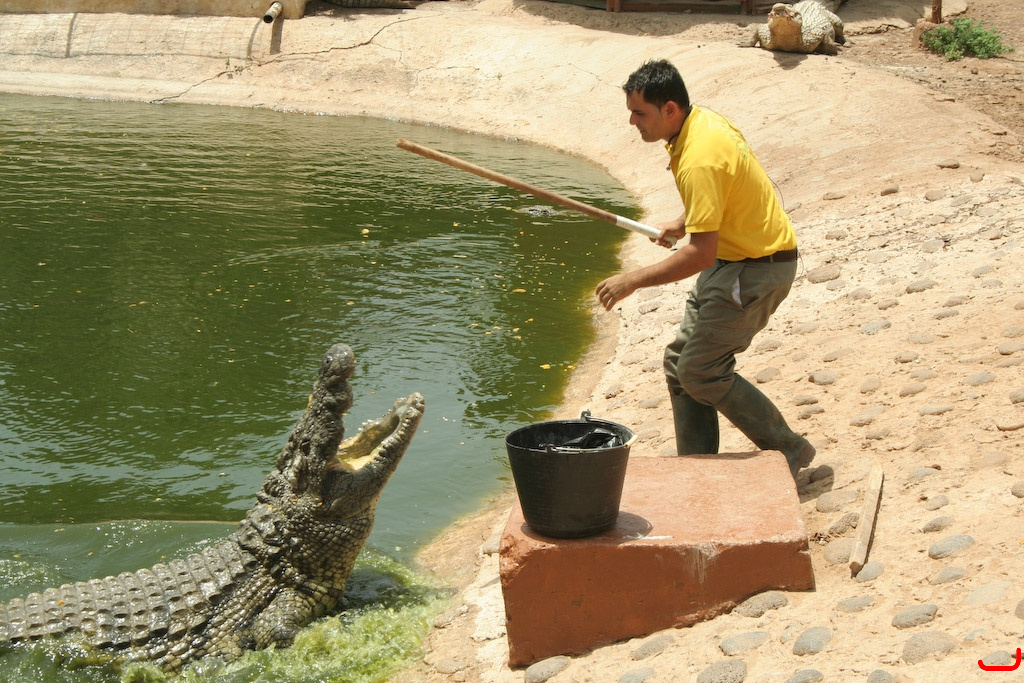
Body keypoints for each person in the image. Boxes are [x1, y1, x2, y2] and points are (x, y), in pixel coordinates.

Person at [595, 58, 814, 479]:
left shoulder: (699, 157)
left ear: (669, 109)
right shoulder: (701, 124)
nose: (632, 122)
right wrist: (685, 223)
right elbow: (726, 193)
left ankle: (787, 447)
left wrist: (632, 280)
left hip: (755, 269)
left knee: (700, 371)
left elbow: (699, 256)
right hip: (737, 260)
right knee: (680, 364)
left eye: (639, 113)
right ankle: (696, 469)